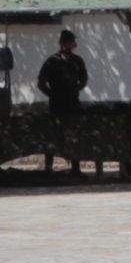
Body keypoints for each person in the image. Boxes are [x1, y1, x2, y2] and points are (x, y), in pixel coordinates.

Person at [36, 26, 91, 174]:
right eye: (69, 42)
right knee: (53, 135)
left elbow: (84, 80)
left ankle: (75, 167)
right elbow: (41, 83)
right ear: (62, 43)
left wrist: (75, 90)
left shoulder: (77, 61)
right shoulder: (52, 61)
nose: (72, 45)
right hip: (56, 105)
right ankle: (48, 167)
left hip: (73, 104)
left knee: (74, 135)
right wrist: (52, 94)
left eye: (72, 43)